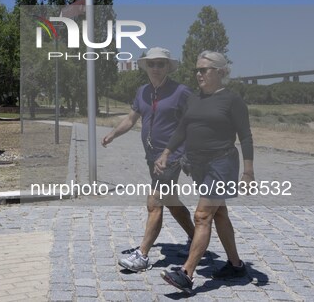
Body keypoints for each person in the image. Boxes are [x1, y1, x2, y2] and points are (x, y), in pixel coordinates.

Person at [157, 51, 255, 294]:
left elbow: (245, 136)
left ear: (220, 72)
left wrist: (248, 173)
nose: (198, 74)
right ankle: (236, 265)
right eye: (197, 70)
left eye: (204, 70)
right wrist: (167, 152)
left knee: (202, 216)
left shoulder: (232, 100)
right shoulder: (194, 99)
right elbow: (182, 128)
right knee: (219, 213)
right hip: (199, 166)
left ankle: (186, 274)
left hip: (222, 165)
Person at [101, 47, 195, 272]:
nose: (155, 68)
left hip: (171, 158)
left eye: (160, 64)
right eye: (151, 64)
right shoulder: (143, 91)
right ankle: (196, 237)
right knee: (171, 202)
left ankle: (142, 255)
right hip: (152, 157)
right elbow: (132, 118)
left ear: (167, 67)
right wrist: (113, 134)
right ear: (146, 67)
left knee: (154, 203)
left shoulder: (181, 92)